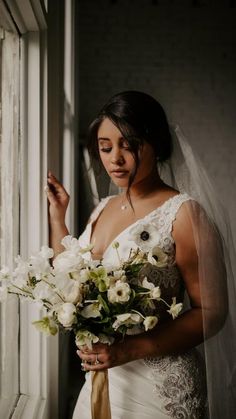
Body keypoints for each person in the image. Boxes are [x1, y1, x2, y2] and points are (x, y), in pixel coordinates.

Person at [46, 91, 235, 419]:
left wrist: (129, 349)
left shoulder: (185, 215)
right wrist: (58, 218)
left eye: (128, 145)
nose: (115, 159)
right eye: (105, 148)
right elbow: (69, 277)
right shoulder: (102, 209)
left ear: (156, 144)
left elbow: (213, 311)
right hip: (103, 377)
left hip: (158, 385)